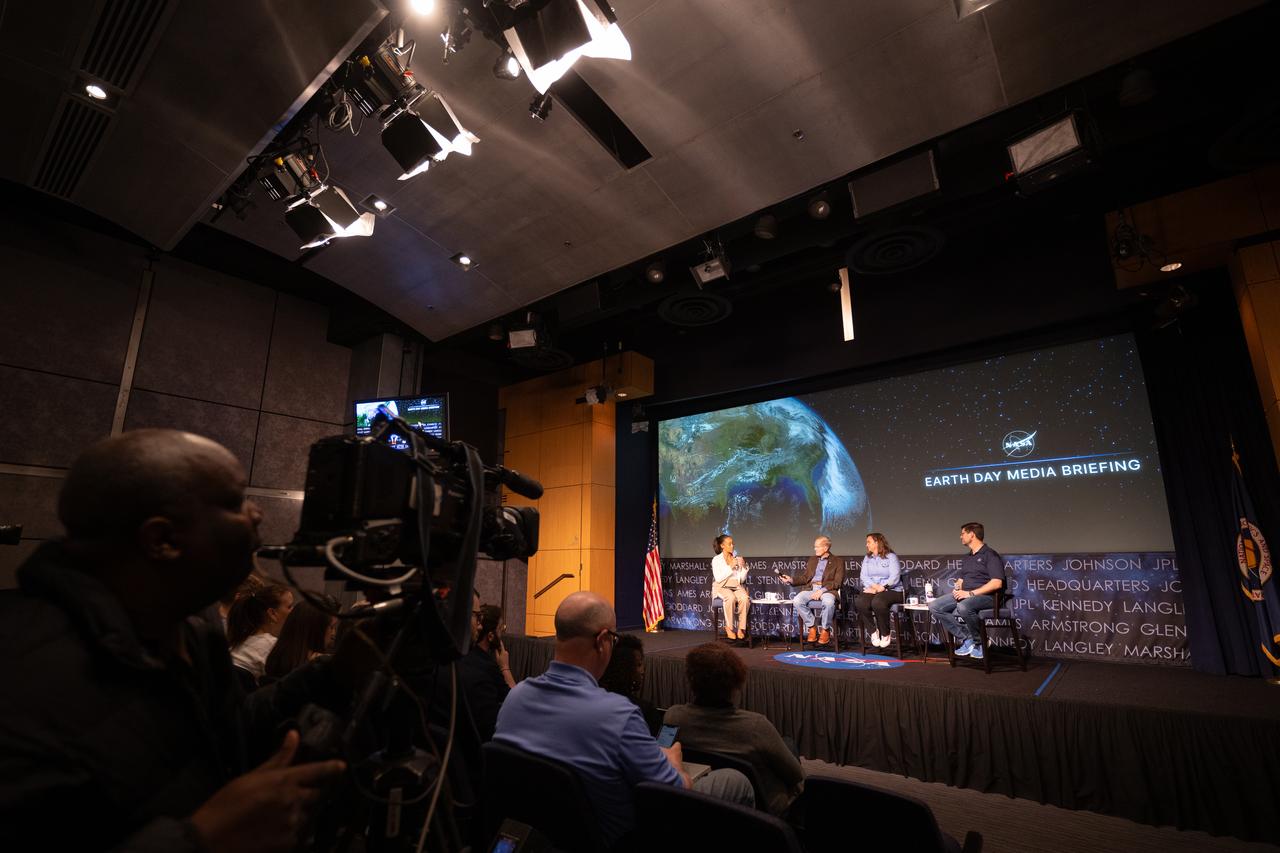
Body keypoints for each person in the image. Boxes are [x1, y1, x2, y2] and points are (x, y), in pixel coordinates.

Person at [0, 429, 346, 853]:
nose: (256, 514)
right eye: (235, 501)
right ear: (162, 540)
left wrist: (337, 669)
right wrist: (201, 841)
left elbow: (224, 734)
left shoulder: (192, 627)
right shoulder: (22, 677)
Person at [493, 591, 753, 845]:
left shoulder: (516, 698)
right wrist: (674, 764)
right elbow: (676, 793)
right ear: (603, 640)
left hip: (542, 837)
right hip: (624, 836)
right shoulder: (618, 716)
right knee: (736, 781)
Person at [664, 643, 804, 816]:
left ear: (692, 682)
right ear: (735, 686)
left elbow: (663, 757)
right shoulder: (756, 727)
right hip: (761, 812)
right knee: (789, 744)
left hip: (702, 804)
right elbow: (796, 774)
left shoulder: (673, 717)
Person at [928, 522, 1004, 660]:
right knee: (934, 606)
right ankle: (967, 637)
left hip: (987, 597)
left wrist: (970, 594)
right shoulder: (968, 557)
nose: (960, 536)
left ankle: (980, 642)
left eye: (963, 533)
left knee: (964, 606)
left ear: (972, 535)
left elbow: (997, 583)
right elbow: (962, 579)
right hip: (967, 594)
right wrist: (958, 586)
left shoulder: (990, 555)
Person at [457, 602, 514, 741]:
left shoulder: (461, 656)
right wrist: (505, 667)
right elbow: (515, 700)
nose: (502, 634)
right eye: (501, 629)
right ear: (491, 636)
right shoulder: (487, 667)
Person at [780, 535, 844, 645]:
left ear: (826, 547)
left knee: (828, 602)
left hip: (828, 590)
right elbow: (805, 578)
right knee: (797, 600)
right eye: (815, 547)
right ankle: (812, 627)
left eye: (817, 547)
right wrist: (791, 580)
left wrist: (822, 590)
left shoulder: (838, 561)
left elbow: (837, 582)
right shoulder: (813, 560)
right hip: (811, 588)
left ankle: (825, 630)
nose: (815, 549)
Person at [227, 582, 295, 682]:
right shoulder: (272, 646)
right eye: (289, 606)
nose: (294, 611)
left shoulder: (239, 639)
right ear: (272, 613)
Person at [262, 593, 339, 682]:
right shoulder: (319, 669)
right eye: (332, 627)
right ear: (316, 631)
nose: (334, 633)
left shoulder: (276, 657)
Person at [599, 632, 664, 736]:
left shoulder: (594, 699)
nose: (643, 670)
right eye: (638, 665)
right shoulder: (643, 711)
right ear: (624, 669)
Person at [853, 532, 903, 648]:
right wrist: (875, 587)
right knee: (860, 601)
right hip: (874, 589)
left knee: (878, 602)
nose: (867, 545)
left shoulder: (891, 557)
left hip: (893, 590)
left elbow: (894, 577)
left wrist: (883, 587)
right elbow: (864, 576)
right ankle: (873, 631)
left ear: (877, 542)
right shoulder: (867, 558)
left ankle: (885, 633)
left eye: (869, 542)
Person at [711, 533, 750, 641]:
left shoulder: (736, 559)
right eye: (729, 544)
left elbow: (741, 580)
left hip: (735, 586)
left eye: (733, 544)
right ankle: (729, 627)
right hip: (721, 586)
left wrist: (744, 567)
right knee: (730, 597)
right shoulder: (716, 560)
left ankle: (741, 628)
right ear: (722, 546)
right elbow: (718, 578)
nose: (732, 546)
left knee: (745, 598)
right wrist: (730, 567)